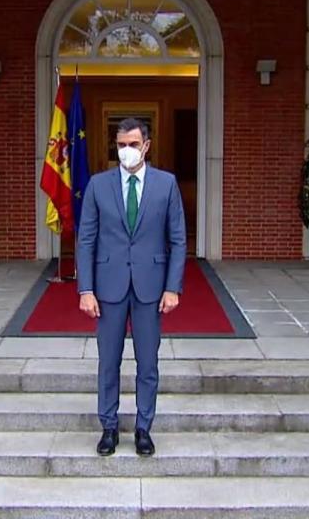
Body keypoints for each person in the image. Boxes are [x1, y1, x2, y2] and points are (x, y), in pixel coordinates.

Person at [76, 117, 187, 457]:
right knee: (108, 362)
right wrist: (85, 289)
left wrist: (173, 287)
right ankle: (108, 427)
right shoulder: (98, 185)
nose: (126, 150)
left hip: (150, 289)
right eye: (121, 145)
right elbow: (87, 239)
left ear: (147, 146)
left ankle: (143, 428)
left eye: (133, 144)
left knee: (147, 363)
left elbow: (178, 240)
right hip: (107, 287)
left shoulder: (167, 185)